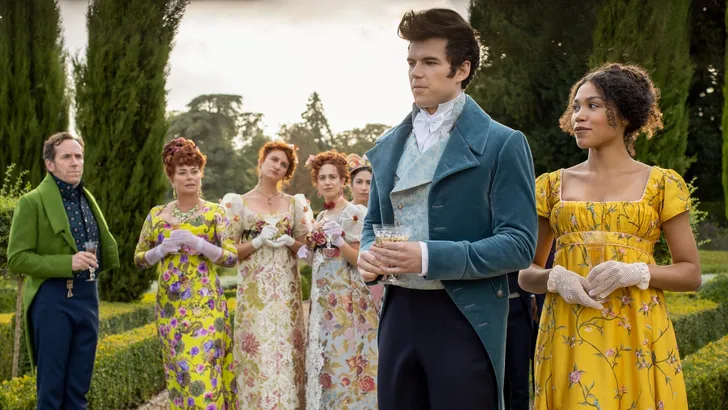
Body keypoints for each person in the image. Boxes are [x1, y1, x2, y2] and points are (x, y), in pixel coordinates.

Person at [357, 8, 538, 410]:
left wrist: (427, 256)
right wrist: (368, 255)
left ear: (462, 69)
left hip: (465, 314)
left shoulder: (503, 143)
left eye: (429, 62)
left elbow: (519, 245)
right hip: (398, 313)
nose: (415, 73)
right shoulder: (387, 145)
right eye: (411, 63)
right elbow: (372, 225)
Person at [518, 63, 701, 409]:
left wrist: (638, 272)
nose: (579, 116)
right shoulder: (550, 186)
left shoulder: (662, 184)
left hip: (640, 335)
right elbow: (526, 273)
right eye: (576, 106)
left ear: (626, 115)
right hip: (568, 335)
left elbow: (691, 273)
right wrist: (554, 278)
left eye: (593, 106)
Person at [7, 132, 120, 409]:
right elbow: (17, 259)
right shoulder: (31, 202)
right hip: (52, 299)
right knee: (51, 391)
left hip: (88, 297)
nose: (75, 162)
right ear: (50, 164)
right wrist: (66, 263)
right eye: (66, 156)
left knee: (79, 391)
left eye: (79, 156)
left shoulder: (87, 199)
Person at [134, 137, 238, 409]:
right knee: (180, 377)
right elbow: (139, 259)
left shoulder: (215, 213)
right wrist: (161, 250)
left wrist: (199, 244)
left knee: (203, 379)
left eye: (194, 171)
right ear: (172, 177)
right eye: (183, 172)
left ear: (201, 174)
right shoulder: (156, 215)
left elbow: (231, 258)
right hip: (170, 309)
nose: (190, 177)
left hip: (206, 306)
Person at [220, 141, 312, 409]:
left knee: (288, 356)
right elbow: (227, 253)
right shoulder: (238, 203)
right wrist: (257, 242)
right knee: (257, 356)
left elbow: (307, 252)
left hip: (287, 296)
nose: (278, 166)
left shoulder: (295, 204)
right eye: (274, 160)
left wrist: (289, 241)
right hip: (254, 296)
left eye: (284, 164)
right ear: (261, 161)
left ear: (287, 172)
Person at [300, 151, 379, 409]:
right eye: (322, 177)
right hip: (322, 300)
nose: (327, 182)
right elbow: (320, 261)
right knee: (329, 361)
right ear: (317, 183)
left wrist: (340, 242)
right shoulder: (320, 218)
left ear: (343, 180)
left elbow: (360, 260)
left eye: (332, 177)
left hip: (347, 300)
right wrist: (306, 251)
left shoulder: (354, 213)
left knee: (348, 358)